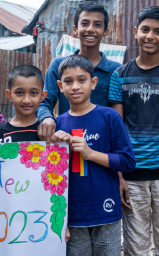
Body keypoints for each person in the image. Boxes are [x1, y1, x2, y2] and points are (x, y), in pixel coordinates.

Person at [108, 6, 159, 256]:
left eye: (158, 31)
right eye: (145, 29)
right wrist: (120, 176)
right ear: (135, 32)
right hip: (132, 175)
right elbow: (116, 128)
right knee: (135, 247)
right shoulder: (120, 76)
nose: (150, 36)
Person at [51, 55, 136, 256]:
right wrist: (56, 147)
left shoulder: (109, 117)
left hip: (106, 211)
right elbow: (53, 177)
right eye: (68, 81)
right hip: (73, 215)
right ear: (60, 86)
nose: (75, 86)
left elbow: (128, 161)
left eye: (82, 80)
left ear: (93, 83)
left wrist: (90, 154)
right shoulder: (58, 124)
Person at [37, 1, 121, 142]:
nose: (90, 29)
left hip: (102, 145)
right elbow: (43, 102)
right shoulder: (59, 66)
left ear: (106, 31)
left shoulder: (116, 70)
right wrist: (47, 118)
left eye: (97, 25)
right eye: (85, 23)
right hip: (66, 142)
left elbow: (118, 114)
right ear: (75, 29)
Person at [0, 65, 47, 144]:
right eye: (19, 92)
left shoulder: (47, 131)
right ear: (9, 95)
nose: (26, 100)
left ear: (42, 96)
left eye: (34, 93)